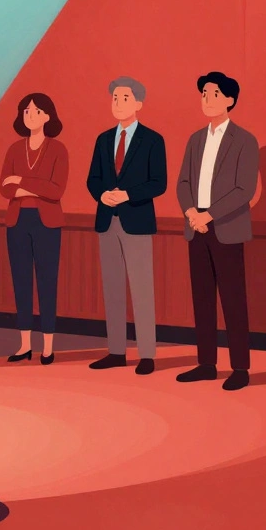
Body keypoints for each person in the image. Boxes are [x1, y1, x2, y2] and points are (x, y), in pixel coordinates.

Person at [175, 72, 258, 391]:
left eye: (213, 93)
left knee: (234, 300)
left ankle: (240, 367)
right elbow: (183, 182)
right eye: (204, 93)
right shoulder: (195, 139)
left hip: (226, 228)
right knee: (203, 298)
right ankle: (207, 363)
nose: (206, 99)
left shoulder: (244, 140)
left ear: (230, 100)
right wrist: (191, 214)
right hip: (196, 229)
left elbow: (244, 189)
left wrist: (208, 214)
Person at [86, 78, 167, 375]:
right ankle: (116, 351)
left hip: (137, 221)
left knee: (142, 290)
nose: (117, 102)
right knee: (113, 289)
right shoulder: (103, 139)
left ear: (138, 103)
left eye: (124, 97)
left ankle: (147, 355)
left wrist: (129, 194)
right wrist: (102, 194)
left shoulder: (153, 140)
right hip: (107, 221)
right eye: (114, 98)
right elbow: (92, 178)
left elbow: (159, 183)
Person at [0, 92, 68, 365]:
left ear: (48, 116)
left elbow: (56, 190)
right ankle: (25, 344)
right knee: (21, 282)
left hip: (47, 223)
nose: (30, 115)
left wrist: (22, 182)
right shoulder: (15, 149)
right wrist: (31, 185)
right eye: (26, 111)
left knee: (47, 282)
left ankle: (48, 346)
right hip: (17, 222)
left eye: (36, 111)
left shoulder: (58, 149)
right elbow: (4, 188)